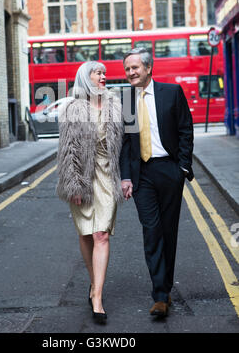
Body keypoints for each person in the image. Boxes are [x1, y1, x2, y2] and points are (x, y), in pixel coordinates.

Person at [119, 48, 194, 318]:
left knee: (168, 232)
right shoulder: (126, 99)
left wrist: (183, 167)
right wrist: (125, 176)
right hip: (142, 174)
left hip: (169, 169)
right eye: (127, 69)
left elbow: (186, 129)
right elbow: (126, 144)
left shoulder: (171, 93)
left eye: (135, 68)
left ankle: (165, 287)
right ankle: (160, 295)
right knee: (151, 231)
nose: (130, 73)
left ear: (149, 68)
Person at [57, 61, 125, 324]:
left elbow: (126, 144)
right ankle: (94, 283)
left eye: (104, 73)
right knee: (86, 233)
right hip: (82, 177)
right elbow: (67, 152)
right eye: (98, 73)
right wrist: (74, 185)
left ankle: (97, 296)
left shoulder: (116, 105)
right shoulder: (72, 108)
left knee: (101, 234)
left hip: (108, 177)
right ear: (86, 78)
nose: (103, 77)